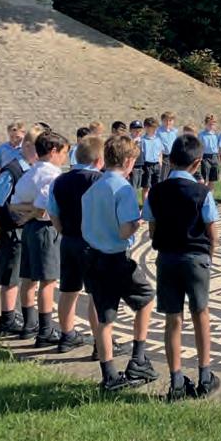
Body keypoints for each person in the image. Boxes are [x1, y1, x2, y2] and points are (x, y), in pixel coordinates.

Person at [143, 134, 221, 400]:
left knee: (172, 318)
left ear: (171, 159)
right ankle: (205, 375)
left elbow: (152, 228)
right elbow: (213, 233)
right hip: (196, 258)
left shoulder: (156, 191)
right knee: (201, 314)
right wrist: (208, 257)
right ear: (197, 163)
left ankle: (176, 380)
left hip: (167, 258)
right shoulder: (202, 193)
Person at [81, 134, 158, 392]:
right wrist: (138, 223)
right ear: (127, 161)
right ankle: (138, 358)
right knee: (146, 300)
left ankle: (109, 375)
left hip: (92, 256)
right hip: (116, 258)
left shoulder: (93, 188)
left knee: (105, 317)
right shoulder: (123, 189)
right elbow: (125, 231)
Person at [11, 129, 70, 347]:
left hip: (29, 229)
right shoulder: (53, 175)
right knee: (48, 280)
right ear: (53, 151)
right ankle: (45, 330)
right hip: (46, 228)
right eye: (63, 153)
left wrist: (27, 215)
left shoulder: (30, 172)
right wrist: (33, 213)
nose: (64, 157)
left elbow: (14, 203)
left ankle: (29, 324)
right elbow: (43, 207)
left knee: (28, 277)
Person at [48, 135, 103, 354]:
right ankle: (100, 343)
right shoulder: (99, 180)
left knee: (68, 290)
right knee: (96, 294)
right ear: (98, 159)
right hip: (92, 242)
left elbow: (53, 212)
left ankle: (66, 335)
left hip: (69, 239)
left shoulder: (59, 180)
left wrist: (63, 231)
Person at [0, 124, 43, 336]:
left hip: (25, 227)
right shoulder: (12, 170)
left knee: (25, 274)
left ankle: (18, 315)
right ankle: (7, 319)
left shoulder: (32, 169)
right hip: (12, 229)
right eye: (39, 149)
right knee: (11, 275)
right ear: (26, 146)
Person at [140, 117, 164, 204]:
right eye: (152, 128)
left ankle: (155, 204)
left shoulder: (158, 139)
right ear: (146, 128)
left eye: (155, 128)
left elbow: (160, 151)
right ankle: (145, 206)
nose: (154, 130)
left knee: (156, 186)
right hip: (147, 165)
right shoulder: (142, 140)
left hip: (156, 165)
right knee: (146, 187)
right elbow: (141, 153)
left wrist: (160, 161)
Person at [199, 115, 220, 190]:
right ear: (205, 124)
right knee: (205, 179)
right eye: (209, 124)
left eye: (213, 124)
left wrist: (218, 158)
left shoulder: (216, 135)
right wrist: (200, 159)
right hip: (205, 157)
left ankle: (211, 196)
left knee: (212, 180)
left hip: (214, 157)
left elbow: (218, 148)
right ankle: (204, 196)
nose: (211, 126)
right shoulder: (201, 135)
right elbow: (200, 148)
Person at [158, 111, 178, 179]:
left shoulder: (175, 131)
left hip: (173, 156)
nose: (168, 122)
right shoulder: (158, 131)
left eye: (170, 120)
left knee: (172, 177)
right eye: (165, 120)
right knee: (163, 177)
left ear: (173, 121)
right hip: (163, 157)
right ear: (162, 121)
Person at [128, 120, 145, 192]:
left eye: (139, 130)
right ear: (130, 130)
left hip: (140, 165)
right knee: (133, 187)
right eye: (135, 130)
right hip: (132, 166)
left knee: (138, 187)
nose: (138, 132)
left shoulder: (142, 140)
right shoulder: (128, 141)